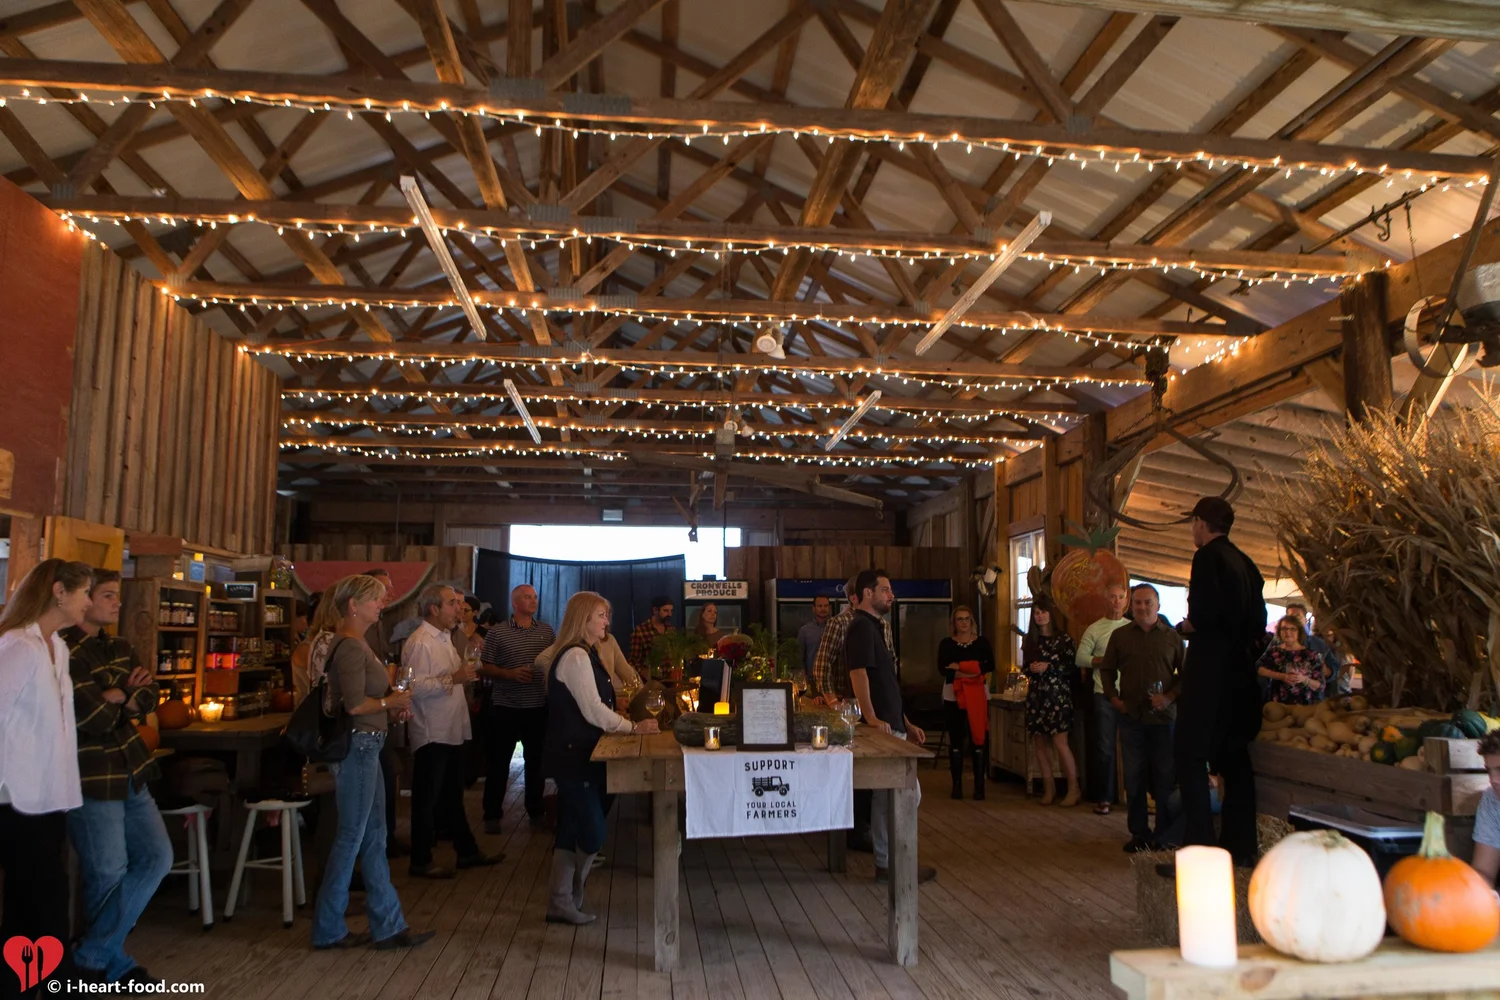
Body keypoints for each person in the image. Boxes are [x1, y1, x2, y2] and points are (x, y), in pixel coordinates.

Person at [61, 570, 173, 985]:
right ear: (84, 599)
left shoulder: (121, 646)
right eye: (108, 595)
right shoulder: (64, 650)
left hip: (131, 767)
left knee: (158, 857)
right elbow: (91, 717)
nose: (118, 603)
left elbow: (151, 694)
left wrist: (120, 695)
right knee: (107, 872)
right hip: (90, 773)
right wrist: (125, 696)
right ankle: (111, 964)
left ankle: (91, 955)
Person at [310, 574, 432, 952]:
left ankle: (388, 925)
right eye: (376, 599)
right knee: (352, 837)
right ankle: (328, 927)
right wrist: (388, 703)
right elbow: (353, 706)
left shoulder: (359, 642)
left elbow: (366, 703)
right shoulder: (349, 646)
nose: (382, 604)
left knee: (375, 837)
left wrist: (390, 710)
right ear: (353, 605)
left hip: (369, 745)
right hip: (358, 748)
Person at [0, 559, 94, 993]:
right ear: (59, 591)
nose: (88, 602)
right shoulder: (18, 646)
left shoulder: (58, 648)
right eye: (84, 592)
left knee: (27, 902)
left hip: (51, 792)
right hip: (15, 795)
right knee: (46, 896)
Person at [541, 592, 659, 924]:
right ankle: (572, 894)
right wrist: (633, 727)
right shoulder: (577, 656)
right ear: (583, 619)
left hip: (583, 753)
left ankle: (561, 901)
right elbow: (593, 710)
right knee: (593, 831)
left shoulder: (586, 652)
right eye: (600, 616)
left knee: (571, 826)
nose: (607, 621)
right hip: (573, 754)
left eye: (607, 615)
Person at [1174, 496, 1267, 868]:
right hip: (1241, 673)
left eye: (1193, 523)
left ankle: (1200, 849)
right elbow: (1258, 622)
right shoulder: (1246, 562)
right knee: (1234, 759)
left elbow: (1203, 615)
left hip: (1209, 671)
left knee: (1190, 755)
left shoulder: (1207, 558)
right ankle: (1240, 847)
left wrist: (1186, 627)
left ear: (1200, 522)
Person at [845, 569, 935, 884]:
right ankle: (892, 864)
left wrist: (906, 722)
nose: (891, 595)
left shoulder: (874, 627)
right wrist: (870, 717)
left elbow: (886, 683)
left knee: (891, 796)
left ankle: (888, 863)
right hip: (881, 726)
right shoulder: (860, 626)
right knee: (900, 794)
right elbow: (858, 674)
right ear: (867, 593)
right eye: (885, 590)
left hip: (892, 723)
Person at [403, 584, 498, 879]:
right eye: (452, 603)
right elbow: (414, 688)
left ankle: (466, 851)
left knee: (452, 795)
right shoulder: (421, 642)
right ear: (434, 609)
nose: (458, 609)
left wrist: (468, 669)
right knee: (426, 798)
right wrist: (455, 677)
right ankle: (420, 860)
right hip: (432, 729)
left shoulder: (445, 637)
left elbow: (456, 675)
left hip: (450, 725)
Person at [1100, 584, 1183, 853]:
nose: (1143, 607)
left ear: (1158, 605)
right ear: (1131, 606)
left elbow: (1186, 675)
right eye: (1138, 603)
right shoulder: (1121, 636)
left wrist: (1169, 697)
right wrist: (1113, 698)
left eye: (1148, 602)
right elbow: (1107, 670)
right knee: (1134, 777)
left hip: (1164, 720)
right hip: (1131, 717)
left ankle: (1163, 834)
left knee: (1164, 778)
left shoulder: (1172, 638)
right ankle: (1139, 833)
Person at [478, 584, 556, 833]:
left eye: (535, 597)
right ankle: (492, 815)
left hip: (537, 706)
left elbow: (554, 662)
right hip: (506, 707)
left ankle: (536, 810)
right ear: (515, 602)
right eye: (527, 597)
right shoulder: (498, 632)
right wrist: (509, 674)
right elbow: (484, 667)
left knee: (536, 763)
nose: (533, 600)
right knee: (499, 763)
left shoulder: (546, 631)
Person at [1076, 583, 1130, 816]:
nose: (1116, 601)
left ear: (1126, 600)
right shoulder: (1095, 629)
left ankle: (1134, 797)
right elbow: (1080, 658)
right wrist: (1105, 660)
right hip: (1104, 695)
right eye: (1112, 597)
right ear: (1105, 600)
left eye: (1120, 597)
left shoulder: (1131, 628)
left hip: (1130, 695)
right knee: (1105, 748)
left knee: (1133, 747)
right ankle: (1105, 798)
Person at [1022, 599, 1081, 806]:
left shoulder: (1063, 639)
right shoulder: (1030, 640)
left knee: (1060, 742)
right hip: (1036, 695)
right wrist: (1032, 669)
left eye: (1043, 612)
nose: (1040, 616)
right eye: (1037, 613)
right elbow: (1025, 667)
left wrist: (1050, 667)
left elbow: (1072, 667)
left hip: (1058, 695)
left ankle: (1073, 788)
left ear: (1050, 614)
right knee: (1039, 743)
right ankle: (1049, 788)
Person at [939, 606, 994, 801]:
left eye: (967, 619)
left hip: (977, 693)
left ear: (972, 621)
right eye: (959, 619)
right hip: (953, 694)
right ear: (954, 623)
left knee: (978, 736)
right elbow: (944, 669)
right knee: (956, 738)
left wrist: (961, 667)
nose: (963, 622)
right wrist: (972, 671)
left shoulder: (982, 643)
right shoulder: (947, 644)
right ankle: (957, 786)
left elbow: (990, 665)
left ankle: (979, 788)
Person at [1256, 616, 1326, 705]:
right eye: (1284, 629)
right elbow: (1259, 669)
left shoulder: (1311, 655)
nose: (1288, 632)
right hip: (1277, 703)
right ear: (1279, 631)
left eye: (1293, 629)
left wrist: (1304, 679)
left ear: (1299, 632)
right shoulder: (1274, 651)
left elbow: (1320, 686)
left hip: (1304, 705)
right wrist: (1282, 676)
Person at [1282, 602, 1340, 698]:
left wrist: (1328, 671)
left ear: (1305, 620)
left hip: (1313, 698)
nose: (1294, 620)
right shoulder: (1277, 644)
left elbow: (1335, 667)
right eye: (1291, 617)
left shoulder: (1319, 643)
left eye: (1298, 617)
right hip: (1284, 698)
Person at [1470, 730, 1500, 887]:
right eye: (1489, 770)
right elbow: (1484, 871)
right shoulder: (1491, 800)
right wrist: (1484, 894)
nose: (1493, 780)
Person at [628, 595, 675, 677]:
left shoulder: (671, 630)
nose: (669, 614)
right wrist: (644, 672)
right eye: (666, 611)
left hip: (671, 678)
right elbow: (632, 661)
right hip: (651, 680)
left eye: (671, 611)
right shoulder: (640, 631)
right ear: (655, 610)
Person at [798, 595, 833, 672]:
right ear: (814, 609)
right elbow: (800, 657)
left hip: (832, 676)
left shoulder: (835, 628)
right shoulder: (804, 631)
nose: (823, 609)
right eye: (820, 606)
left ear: (829, 608)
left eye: (826, 606)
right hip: (811, 676)